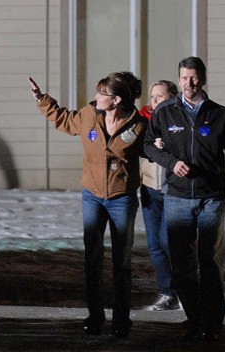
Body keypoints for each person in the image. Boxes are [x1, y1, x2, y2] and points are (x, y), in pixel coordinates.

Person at [144, 56, 225, 342]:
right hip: (177, 196)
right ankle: (195, 318)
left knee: (209, 259)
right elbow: (148, 145)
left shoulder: (220, 114)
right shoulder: (165, 113)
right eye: (184, 78)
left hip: (211, 197)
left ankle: (212, 321)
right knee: (181, 262)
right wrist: (171, 162)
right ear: (179, 79)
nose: (189, 83)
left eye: (194, 77)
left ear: (203, 78)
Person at [28, 72, 146, 340]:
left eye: (101, 94)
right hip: (92, 196)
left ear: (116, 100)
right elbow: (64, 119)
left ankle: (121, 320)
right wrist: (41, 99)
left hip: (121, 198)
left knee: (121, 261)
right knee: (92, 257)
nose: (95, 98)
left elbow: (152, 149)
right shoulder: (89, 115)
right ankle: (95, 316)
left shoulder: (138, 125)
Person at [137, 80, 180, 311]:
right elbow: (136, 146)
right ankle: (167, 292)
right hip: (150, 188)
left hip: (173, 189)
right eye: (152, 96)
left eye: (160, 96)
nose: (154, 101)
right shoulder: (143, 121)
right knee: (154, 244)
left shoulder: (179, 119)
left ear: (172, 97)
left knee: (168, 241)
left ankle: (185, 288)